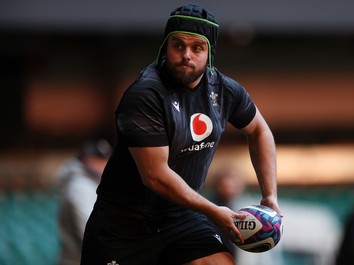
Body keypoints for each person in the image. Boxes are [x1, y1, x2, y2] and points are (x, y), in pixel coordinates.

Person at [81, 4, 282, 265]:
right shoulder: (145, 94)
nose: (186, 54)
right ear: (166, 46)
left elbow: (259, 131)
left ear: (209, 52)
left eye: (197, 47)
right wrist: (213, 211)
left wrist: (270, 195)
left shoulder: (224, 90)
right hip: (123, 227)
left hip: (180, 217)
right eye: (178, 45)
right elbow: (155, 176)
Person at [57, 139, 112, 265]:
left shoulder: (94, 182)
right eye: (98, 159)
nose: (104, 164)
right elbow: (91, 234)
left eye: (105, 159)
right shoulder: (79, 187)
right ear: (86, 159)